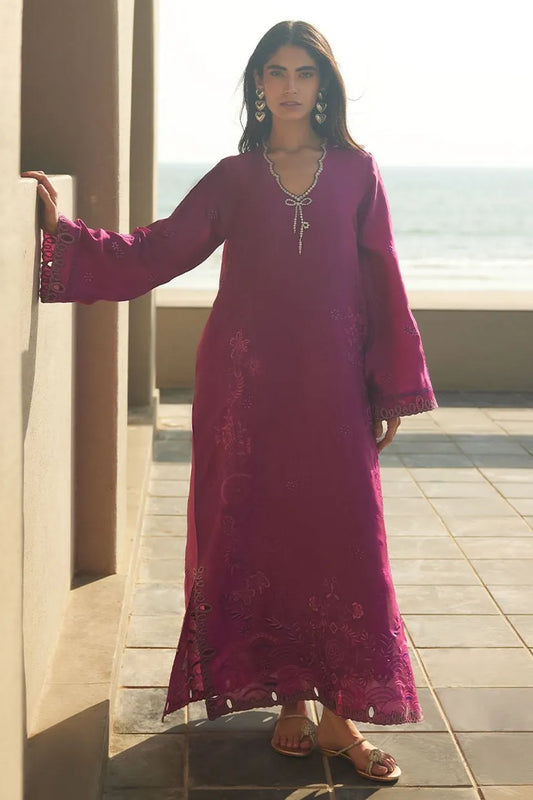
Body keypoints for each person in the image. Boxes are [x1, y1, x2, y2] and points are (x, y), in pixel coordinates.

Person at [24, 19, 437, 784]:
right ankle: (288, 698)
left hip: (332, 384)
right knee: (254, 528)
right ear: (256, 86)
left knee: (343, 534)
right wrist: (65, 235)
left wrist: (388, 385)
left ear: (323, 85)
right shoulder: (233, 177)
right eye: (273, 72)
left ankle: (339, 716)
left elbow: (383, 278)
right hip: (245, 389)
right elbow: (159, 249)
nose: (287, 86)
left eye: (302, 72)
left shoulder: (355, 171)